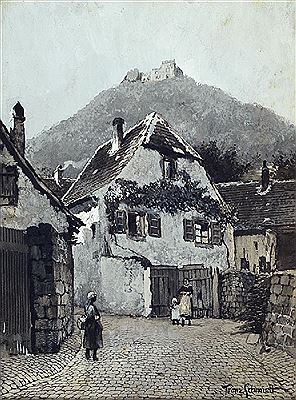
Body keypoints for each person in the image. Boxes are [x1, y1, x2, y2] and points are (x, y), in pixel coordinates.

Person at [83, 291, 103, 361]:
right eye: (94, 297)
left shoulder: (87, 305)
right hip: (93, 325)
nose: (95, 298)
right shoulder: (91, 307)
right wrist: (96, 317)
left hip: (89, 325)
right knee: (94, 340)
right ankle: (93, 355)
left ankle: (88, 354)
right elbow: (90, 316)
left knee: (89, 339)